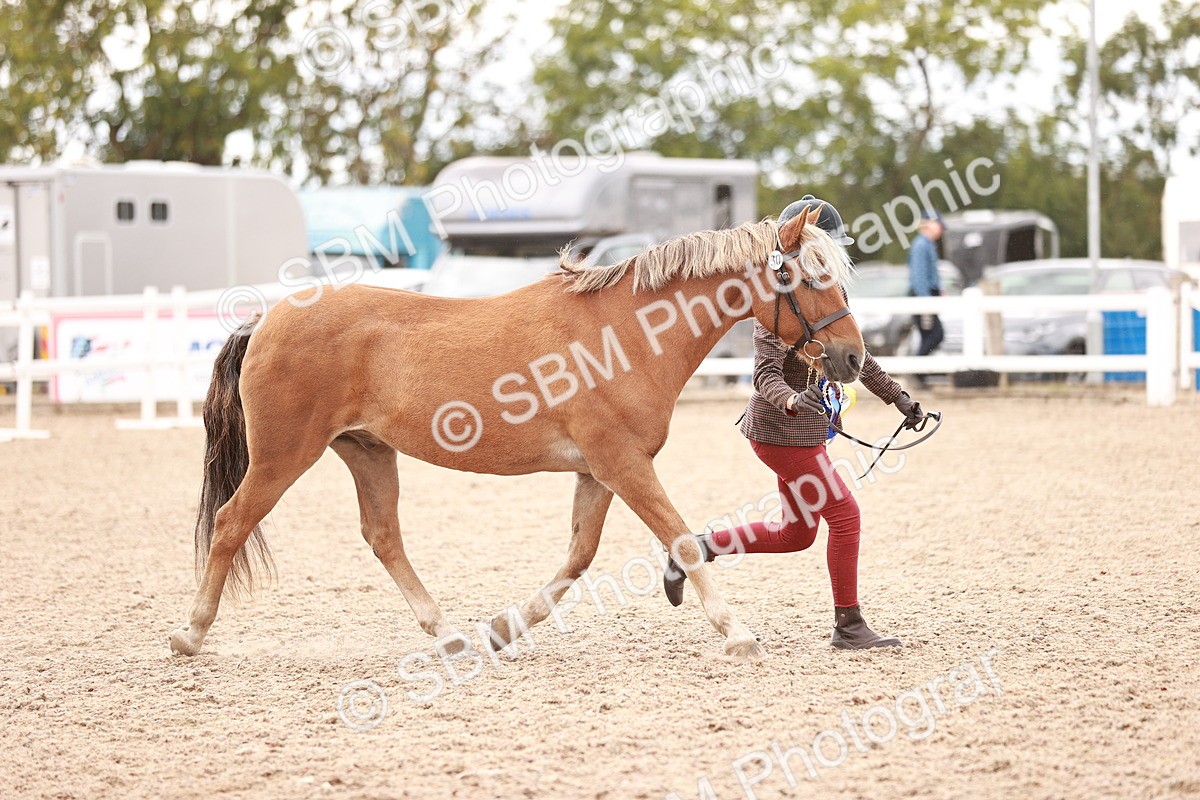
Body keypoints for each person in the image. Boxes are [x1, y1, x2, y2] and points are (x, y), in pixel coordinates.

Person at [662, 195, 925, 650]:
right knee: (845, 515)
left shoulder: (826, 297)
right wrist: (791, 400)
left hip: (807, 435)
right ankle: (849, 625)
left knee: (795, 535)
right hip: (781, 433)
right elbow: (764, 376)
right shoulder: (778, 308)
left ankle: (695, 549)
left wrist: (898, 398)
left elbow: (856, 359)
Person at [908, 211, 945, 384]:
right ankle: (917, 372)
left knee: (929, 336)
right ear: (930, 224)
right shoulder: (922, 245)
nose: (942, 229)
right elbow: (919, 277)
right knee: (935, 334)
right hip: (924, 298)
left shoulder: (925, 244)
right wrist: (926, 300)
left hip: (926, 296)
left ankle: (919, 374)